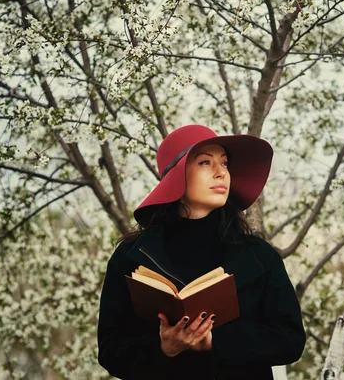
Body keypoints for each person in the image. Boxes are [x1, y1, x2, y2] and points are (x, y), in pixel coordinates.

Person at [97, 124, 306, 380]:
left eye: (225, 163)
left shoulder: (260, 255)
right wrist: (164, 348)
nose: (221, 173)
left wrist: (214, 342)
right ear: (178, 175)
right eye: (205, 163)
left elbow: (290, 339)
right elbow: (110, 350)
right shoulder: (132, 256)